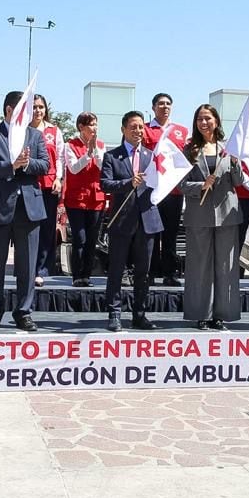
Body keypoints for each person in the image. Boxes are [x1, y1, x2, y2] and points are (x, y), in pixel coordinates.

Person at [0, 90, 50, 332]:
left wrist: (26, 163)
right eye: (24, 109)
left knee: (27, 266)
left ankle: (23, 311)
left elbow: (45, 165)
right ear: (9, 110)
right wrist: (11, 165)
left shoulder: (36, 135)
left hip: (29, 208)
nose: (30, 114)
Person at [180, 104, 245, 330]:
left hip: (227, 215)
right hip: (199, 215)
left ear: (216, 121)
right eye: (199, 118)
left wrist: (236, 165)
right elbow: (180, 184)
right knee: (199, 267)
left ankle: (222, 315)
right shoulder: (189, 150)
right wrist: (201, 185)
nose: (204, 122)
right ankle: (202, 314)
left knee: (226, 268)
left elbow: (239, 182)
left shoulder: (229, 149)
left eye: (208, 118)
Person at [101, 111, 163, 332]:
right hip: (122, 220)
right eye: (133, 127)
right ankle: (114, 313)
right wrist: (128, 182)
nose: (138, 131)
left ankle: (140, 313)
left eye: (140, 127)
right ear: (123, 130)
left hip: (147, 219)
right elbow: (105, 184)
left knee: (143, 271)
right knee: (117, 269)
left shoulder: (152, 156)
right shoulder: (112, 156)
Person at [142, 93, 190, 286]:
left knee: (170, 234)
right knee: (152, 233)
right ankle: (150, 272)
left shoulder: (181, 131)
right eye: (161, 104)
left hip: (174, 191)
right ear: (153, 107)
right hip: (152, 190)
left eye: (168, 103)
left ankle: (170, 273)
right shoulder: (145, 129)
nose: (165, 107)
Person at [63, 111, 106, 287]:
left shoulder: (101, 145)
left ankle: (87, 275)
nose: (94, 128)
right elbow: (73, 168)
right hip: (76, 199)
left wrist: (94, 151)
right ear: (81, 127)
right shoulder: (70, 145)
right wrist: (87, 153)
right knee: (79, 238)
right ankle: (77, 275)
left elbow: (103, 166)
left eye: (96, 124)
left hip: (96, 198)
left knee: (91, 239)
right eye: (91, 124)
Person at [30, 94, 65, 287]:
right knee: (28, 228)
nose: (38, 111)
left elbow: (59, 157)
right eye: (34, 107)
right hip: (28, 184)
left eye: (41, 107)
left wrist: (59, 178)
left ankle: (41, 269)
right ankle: (26, 268)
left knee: (47, 228)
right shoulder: (23, 129)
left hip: (49, 184)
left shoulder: (54, 131)